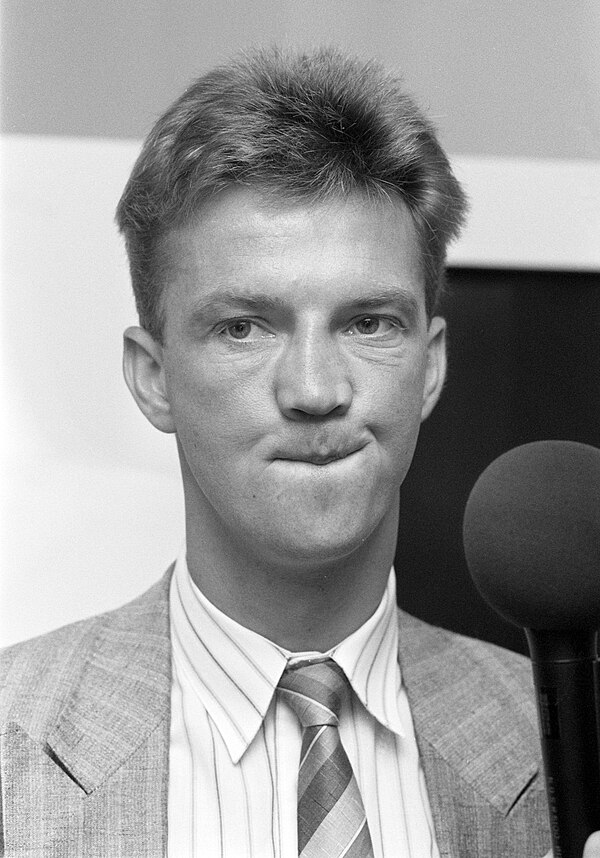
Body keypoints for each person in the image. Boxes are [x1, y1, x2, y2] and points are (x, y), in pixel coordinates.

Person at [1, 46, 598, 858]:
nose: (315, 389)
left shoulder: (567, 755)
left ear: (431, 367)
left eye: (368, 324)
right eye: (244, 326)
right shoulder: (14, 743)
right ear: (153, 379)